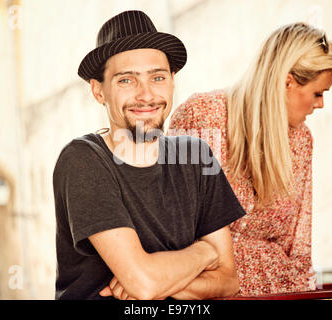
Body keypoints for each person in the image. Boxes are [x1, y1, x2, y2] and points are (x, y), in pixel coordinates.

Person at [53, 10, 245, 300]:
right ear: (99, 91)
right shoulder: (83, 159)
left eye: (157, 77)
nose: (146, 95)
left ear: (172, 81)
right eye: (126, 80)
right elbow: (145, 284)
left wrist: (158, 279)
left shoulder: (196, 156)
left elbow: (228, 282)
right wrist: (205, 253)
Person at [168, 22, 332, 296]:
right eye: (318, 93)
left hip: (279, 291)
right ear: (287, 81)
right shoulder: (201, 115)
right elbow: (172, 224)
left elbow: (298, 247)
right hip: (206, 290)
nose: (320, 104)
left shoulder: (302, 140)